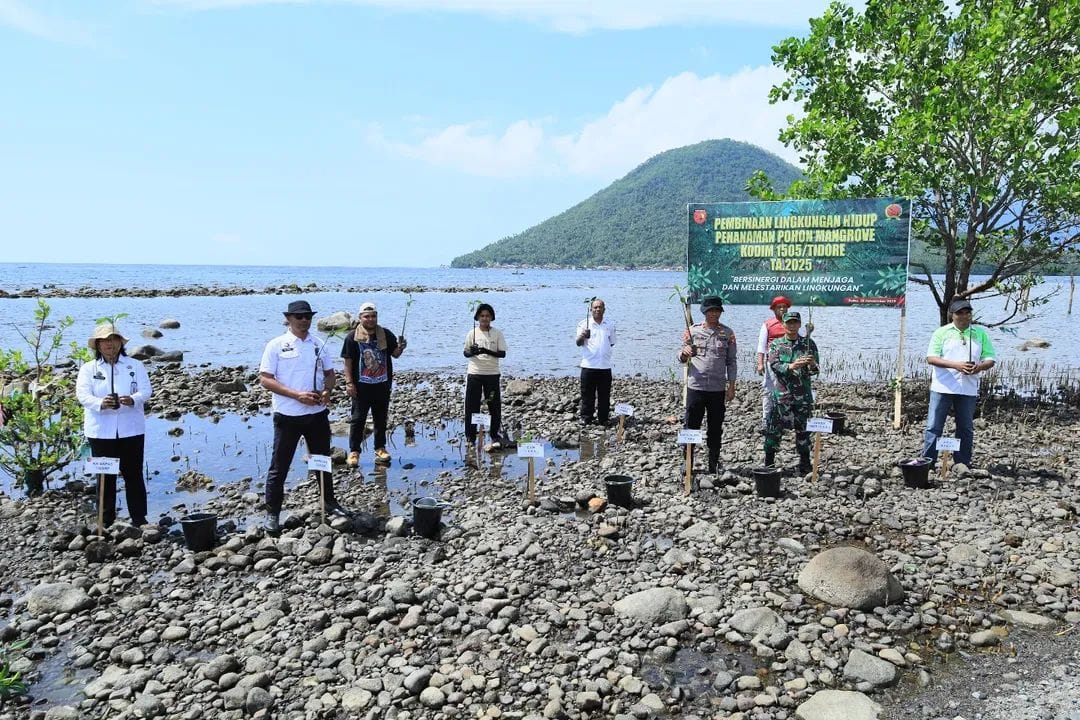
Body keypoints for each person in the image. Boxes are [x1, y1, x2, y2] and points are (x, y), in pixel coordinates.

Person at [259, 300, 344, 533]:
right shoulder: (276, 345)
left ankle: (329, 502)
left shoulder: (319, 344)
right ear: (289, 319)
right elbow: (265, 379)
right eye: (299, 316)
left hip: (317, 415)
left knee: (322, 461)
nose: (304, 320)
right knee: (279, 466)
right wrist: (296, 395)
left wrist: (327, 391)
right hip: (288, 415)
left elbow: (330, 374)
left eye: (307, 316)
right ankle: (273, 513)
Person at [75, 321, 152, 527]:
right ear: (98, 345)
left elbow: (146, 391)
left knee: (133, 473)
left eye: (113, 339)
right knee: (105, 475)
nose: (110, 344)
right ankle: (105, 520)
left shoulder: (135, 365)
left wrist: (132, 399)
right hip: (100, 430)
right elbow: (82, 395)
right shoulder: (88, 369)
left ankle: (139, 518)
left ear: (120, 343)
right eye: (105, 341)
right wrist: (101, 403)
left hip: (131, 429)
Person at [921, 298, 996, 467]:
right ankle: (928, 461)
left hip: (968, 388)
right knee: (934, 426)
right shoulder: (941, 332)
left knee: (965, 428)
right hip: (942, 386)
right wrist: (956, 365)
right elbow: (931, 358)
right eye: (959, 313)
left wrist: (979, 367)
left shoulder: (980, 334)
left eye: (967, 313)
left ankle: (962, 462)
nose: (963, 316)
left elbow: (990, 359)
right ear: (951, 315)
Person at [341, 302, 405, 467]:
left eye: (373, 316)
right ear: (360, 318)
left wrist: (402, 347)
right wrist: (349, 383)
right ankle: (354, 451)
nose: (370, 319)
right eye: (366, 316)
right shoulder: (351, 337)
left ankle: (380, 448)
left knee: (381, 419)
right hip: (361, 386)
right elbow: (347, 363)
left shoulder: (385, 334)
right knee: (357, 419)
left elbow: (395, 354)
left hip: (382, 384)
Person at [677, 296, 737, 474]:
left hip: (717, 389)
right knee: (691, 426)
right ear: (704, 312)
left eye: (717, 311)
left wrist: (732, 385)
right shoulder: (692, 332)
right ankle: (687, 462)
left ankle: (713, 463)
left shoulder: (728, 334)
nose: (714, 314)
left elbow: (731, 361)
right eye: (710, 311)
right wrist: (684, 353)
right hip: (696, 387)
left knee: (715, 427)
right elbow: (680, 358)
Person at [764, 311, 819, 473]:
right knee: (774, 429)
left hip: (803, 396)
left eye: (795, 322)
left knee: (803, 430)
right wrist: (791, 366)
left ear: (800, 324)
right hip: (783, 395)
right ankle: (769, 461)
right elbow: (774, 365)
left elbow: (815, 370)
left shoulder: (809, 344)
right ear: (783, 325)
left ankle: (804, 462)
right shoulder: (777, 344)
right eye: (789, 323)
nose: (792, 326)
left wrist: (812, 364)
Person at [463, 303, 507, 449]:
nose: (485, 318)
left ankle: (494, 434)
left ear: (491, 317)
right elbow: (466, 353)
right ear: (477, 317)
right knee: (471, 405)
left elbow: (502, 353)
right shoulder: (472, 333)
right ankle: (470, 436)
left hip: (492, 373)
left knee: (494, 405)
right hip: (475, 373)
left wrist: (486, 350)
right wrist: (474, 352)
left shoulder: (497, 333)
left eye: (487, 316)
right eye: (482, 316)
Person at [575, 297, 616, 426]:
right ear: (591, 309)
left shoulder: (610, 325)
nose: (598, 309)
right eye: (595, 307)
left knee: (604, 395)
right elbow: (578, 343)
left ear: (604, 309)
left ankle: (603, 418)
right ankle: (586, 417)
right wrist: (583, 335)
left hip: (605, 366)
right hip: (588, 365)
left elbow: (612, 342)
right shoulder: (583, 324)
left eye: (600, 307)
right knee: (587, 394)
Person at [756, 295, 792, 430]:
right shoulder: (767, 324)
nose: (782, 309)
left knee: (788, 391)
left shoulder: (793, 322)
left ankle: (786, 419)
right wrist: (760, 363)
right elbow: (761, 346)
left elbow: (800, 340)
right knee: (769, 391)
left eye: (784, 307)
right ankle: (766, 419)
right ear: (774, 309)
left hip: (790, 363)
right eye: (779, 307)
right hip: (772, 363)